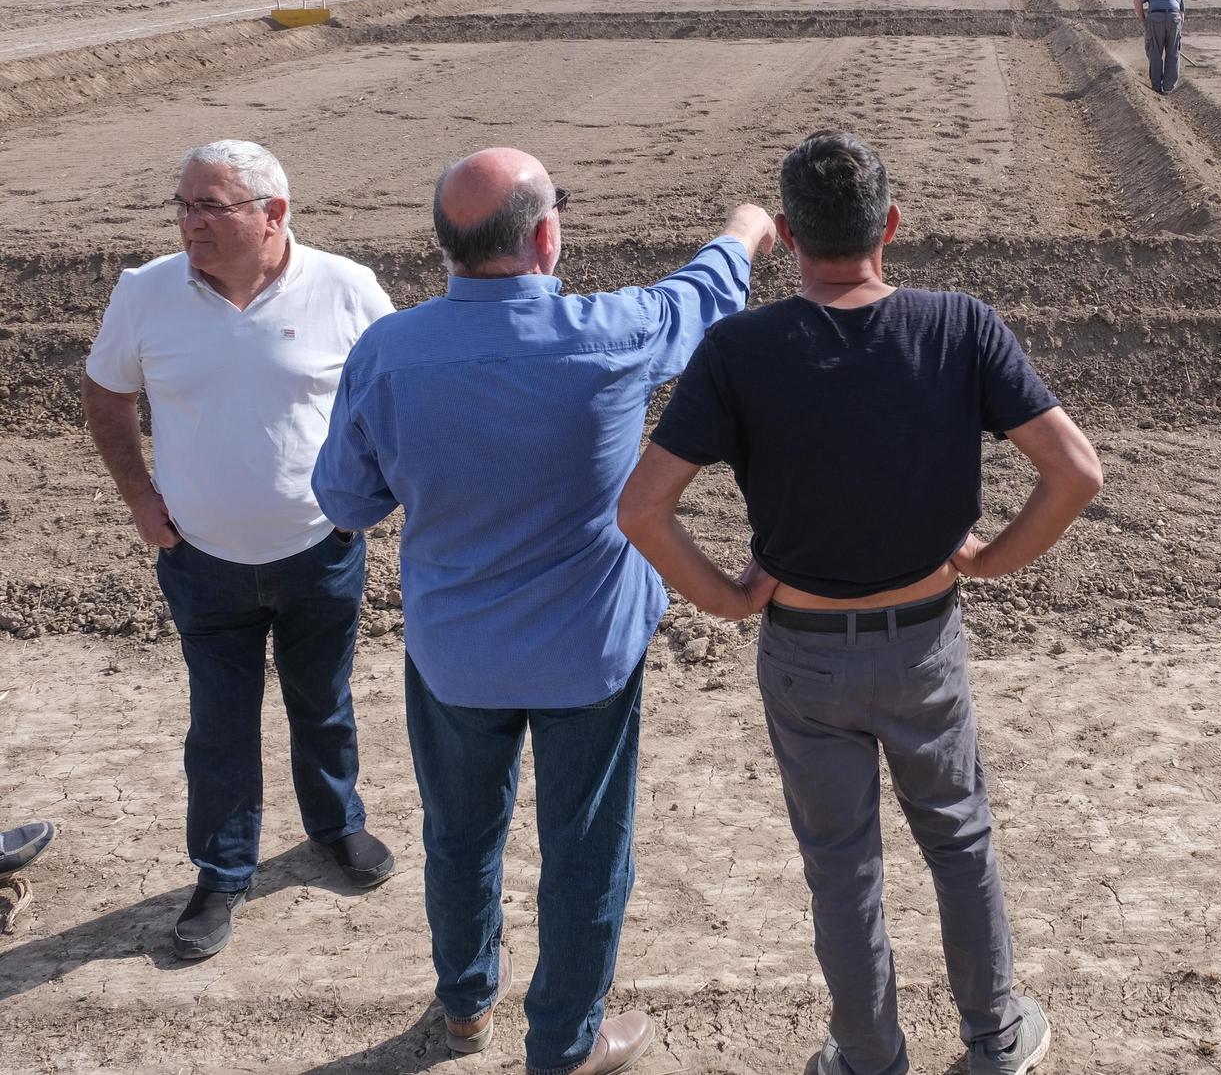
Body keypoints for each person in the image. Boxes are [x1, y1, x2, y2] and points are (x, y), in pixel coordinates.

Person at [618, 131, 1101, 1075]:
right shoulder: (960, 326)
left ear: (788, 234)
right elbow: (1075, 473)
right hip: (923, 641)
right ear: (891, 225)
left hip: (802, 652)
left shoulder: (739, 348)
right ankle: (996, 1040)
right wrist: (992, 561)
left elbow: (642, 508)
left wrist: (724, 598)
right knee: (959, 845)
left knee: (842, 869)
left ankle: (869, 1055)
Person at [312, 148, 775, 1075]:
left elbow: (348, 504)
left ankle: (465, 1008)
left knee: (459, 835)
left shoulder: (389, 352)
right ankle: (564, 1042)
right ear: (547, 236)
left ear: (444, 245)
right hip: (588, 652)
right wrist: (748, 224)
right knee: (586, 849)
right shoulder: (612, 332)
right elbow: (703, 294)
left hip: (455, 656)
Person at [81, 140, 397, 962]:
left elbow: (395, 391)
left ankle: (336, 827)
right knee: (219, 725)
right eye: (183, 205)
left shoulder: (347, 288)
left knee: (321, 703)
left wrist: (364, 498)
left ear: (272, 215)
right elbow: (106, 393)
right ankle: (223, 873)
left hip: (318, 549)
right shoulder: (146, 293)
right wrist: (140, 499)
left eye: (208, 206)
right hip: (202, 560)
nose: (189, 222)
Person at [1132, 0, 1185, 94]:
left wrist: (1143, 21)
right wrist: (1176, 32)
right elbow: (1182, 15)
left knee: (1155, 52)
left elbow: (1137, 0)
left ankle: (1156, 86)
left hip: (1156, 18)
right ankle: (1168, 88)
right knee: (1173, 53)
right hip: (1174, 18)